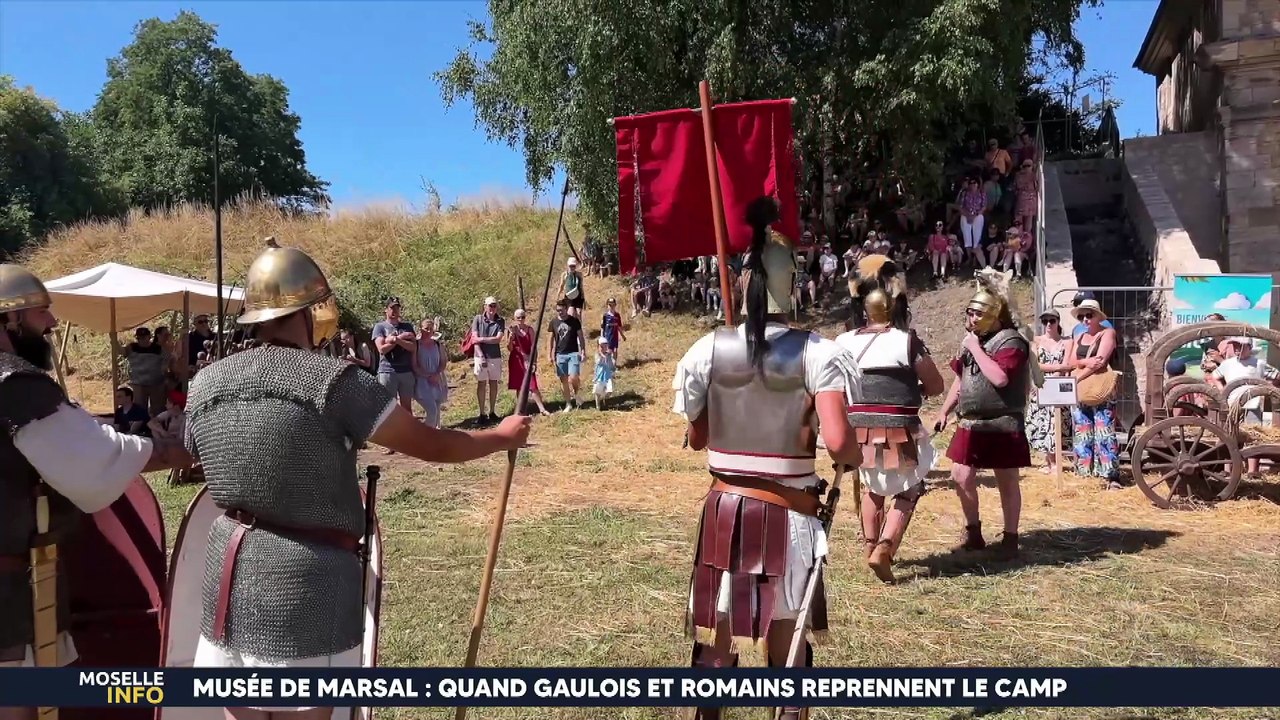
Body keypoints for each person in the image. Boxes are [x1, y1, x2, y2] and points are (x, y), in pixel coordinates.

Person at [182, 239, 530, 720]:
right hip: (306, 586)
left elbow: (195, 452)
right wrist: (500, 436)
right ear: (311, 311)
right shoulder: (330, 381)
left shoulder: (205, 383)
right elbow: (430, 444)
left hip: (226, 575)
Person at [673, 197, 862, 720]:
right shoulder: (818, 352)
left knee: (718, 634)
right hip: (788, 514)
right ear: (791, 283)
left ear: (741, 283)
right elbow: (839, 443)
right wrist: (852, 454)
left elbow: (697, 438)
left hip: (725, 512)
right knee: (786, 642)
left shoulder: (705, 351)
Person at [0, 263, 190, 712]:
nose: (51, 322)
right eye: (40, 311)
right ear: (9, 318)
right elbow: (91, 464)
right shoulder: (16, 388)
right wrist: (169, 452)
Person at [837, 256, 944, 582]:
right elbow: (936, 385)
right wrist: (915, 390)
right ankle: (884, 548)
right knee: (910, 488)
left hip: (858, 430)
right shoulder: (906, 340)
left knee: (872, 487)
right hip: (899, 428)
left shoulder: (843, 342)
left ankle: (870, 547)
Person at [933, 271, 1033, 558]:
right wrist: (944, 410)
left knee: (1007, 480)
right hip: (971, 421)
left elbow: (1000, 378)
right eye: (970, 313)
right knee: (960, 475)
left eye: (978, 314)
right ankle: (974, 533)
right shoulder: (973, 341)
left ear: (993, 314)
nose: (973, 319)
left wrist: (975, 348)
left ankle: (1010, 538)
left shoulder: (1010, 341)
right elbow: (961, 379)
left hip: (1003, 421)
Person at [1068, 298, 1122, 488]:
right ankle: (1085, 474)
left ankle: (1110, 476)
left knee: (1104, 431)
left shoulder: (1108, 333)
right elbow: (1072, 361)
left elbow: (1101, 361)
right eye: (1081, 316)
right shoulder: (1079, 336)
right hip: (1082, 390)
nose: (1085, 319)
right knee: (1082, 431)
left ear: (1098, 316)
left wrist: (1078, 377)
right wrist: (1085, 362)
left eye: (1089, 315)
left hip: (1101, 388)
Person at [1211, 337, 1279, 477]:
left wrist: (1268, 389)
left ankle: (1252, 471)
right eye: (1235, 346)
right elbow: (1215, 376)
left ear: (1249, 347)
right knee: (1230, 435)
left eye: (1241, 346)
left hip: (1253, 405)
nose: (1237, 349)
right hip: (1231, 404)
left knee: (1253, 437)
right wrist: (1222, 391)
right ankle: (1228, 469)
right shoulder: (1227, 364)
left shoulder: (1259, 363)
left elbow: (1277, 376)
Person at [1025, 310, 1072, 475]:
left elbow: (1067, 364)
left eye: (1052, 320)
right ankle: (1048, 461)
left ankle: (1055, 462)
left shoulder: (1067, 342)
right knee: (1042, 424)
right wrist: (1058, 367)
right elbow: (1036, 365)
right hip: (1041, 385)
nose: (1048, 324)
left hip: (1057, 387)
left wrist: (1056, 373)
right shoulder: (1036, 341)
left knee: (1055, 423)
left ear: (1058, 322)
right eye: (1045, 321)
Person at [372, 297, 417, 421]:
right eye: (392, 308)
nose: (394, 311)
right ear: (386, 310)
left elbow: (413, 347)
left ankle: (408, 430)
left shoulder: (407, 326)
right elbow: (382, 349)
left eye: (397, 308)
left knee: (407, 407)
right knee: (388, 407)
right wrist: (401, 339)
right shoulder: (380, 327)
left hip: (405, 371)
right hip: (387, 371)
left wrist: (396, 339)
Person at [506, 308, 552, 416]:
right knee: (519, 386)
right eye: (518, 317)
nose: (521, 319)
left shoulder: (530, 330)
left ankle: (542, 409)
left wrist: (534, 362)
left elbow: (533, 347)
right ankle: (521, 410)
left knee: (533, 385)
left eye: (523, 317)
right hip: (516, 360)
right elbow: (509, 348)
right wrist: (510, 338)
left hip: (528, 360)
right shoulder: (511, 330)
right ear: (515, 318)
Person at [470, 296, 506, 424]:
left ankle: (492, 411)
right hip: (480, 356)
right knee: (481, 383)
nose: (492, 308)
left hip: (494, 356)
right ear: (485, 306)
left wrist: (481, 339)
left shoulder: (500, 321)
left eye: (494, 306)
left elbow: (498, 339)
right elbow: (474, 339)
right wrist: (481, 355)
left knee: (493, 383)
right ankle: (482, 413)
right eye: (490, 305)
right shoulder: (478, 319)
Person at [548, 299, 586, 411]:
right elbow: (550, 339)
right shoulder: (554, 322)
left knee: (573, 377)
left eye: (561, 310)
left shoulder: (574, 321)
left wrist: (583, 351)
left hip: (573, 353)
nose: (560, 312)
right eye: (558, 310)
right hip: (560, 354)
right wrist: (549, 354)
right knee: (563, 380)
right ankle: (568, 403)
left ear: (566, 309)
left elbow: (581, 337)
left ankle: (577, 393)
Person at [413, 317, 447, 429]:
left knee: (437, 410)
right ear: (421, 329)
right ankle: (425, 435)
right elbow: (414, 365)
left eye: (431, 329)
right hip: (422, 381)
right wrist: (427, 376)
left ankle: (436, 435)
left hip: (437, 380)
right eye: (426, 328)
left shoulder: (438, 344)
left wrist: (437, 374)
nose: (428, 331)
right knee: (432, 410)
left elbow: (443, 361)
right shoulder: (416, 345)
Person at [592, 336, 616, 411]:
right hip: (599, 376)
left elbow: (610, 363)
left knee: (609, 391)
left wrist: (613, 368)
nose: (603, 348)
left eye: (605, 346)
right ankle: (598, 405)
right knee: (597, 392)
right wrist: (602, 355)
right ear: (598, 347)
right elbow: (598, 362)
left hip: (607, 375)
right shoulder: (597, 354)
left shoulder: (608, 355)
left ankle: (604, 398)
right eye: (601, 346)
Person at [600, 297, 626, 363]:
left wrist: (622, 335)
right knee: (608, 351)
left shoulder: (617, 315)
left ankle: (614, 365)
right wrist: (601, 337)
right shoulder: (605, 316)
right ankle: (607, 364)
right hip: (607, 336)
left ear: (615, 305)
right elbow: (602, 327)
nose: (611, 307)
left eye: (613, 305)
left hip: (615, 336)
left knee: (615, 350)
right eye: (610, 305)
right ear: (607, 305)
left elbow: (619, 326)